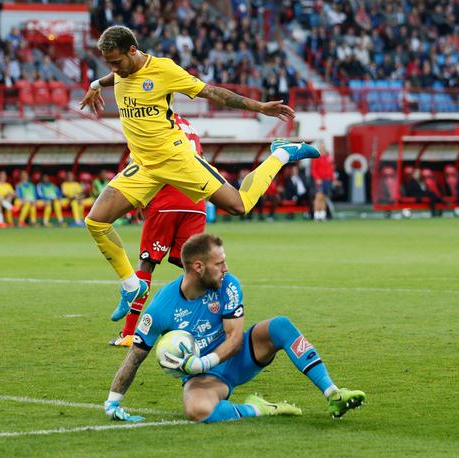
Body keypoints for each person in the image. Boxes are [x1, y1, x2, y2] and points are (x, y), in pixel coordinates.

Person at [79, 26, 318, 320]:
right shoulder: (120, 72)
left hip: (177, 159)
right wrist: (95, 84)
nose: (114, 69)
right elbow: (111, 76)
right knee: (96, 221)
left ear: (133, 51)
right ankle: (132, 287)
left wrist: (259, 107)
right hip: (143, 166)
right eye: (108, 63)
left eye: (116, 62)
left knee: (239, 205)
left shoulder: (163, 70)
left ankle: (281, 153)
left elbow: (212, 92)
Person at [104, 234, 366, 424]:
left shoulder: (228, 284)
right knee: (197, 411)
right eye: (219, 264)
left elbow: (234, 338)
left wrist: (202, 361)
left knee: (281, 326)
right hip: (205, 379)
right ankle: (259, 409)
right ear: (198, 267)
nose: (226, 269)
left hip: (238, 356)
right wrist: (112, 402)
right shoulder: (160, 309)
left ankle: (333, 393)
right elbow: (135, 357)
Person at [110, 114, 207, 346]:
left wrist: (140, 200)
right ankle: (201, 330)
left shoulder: (151, 120)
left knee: (147, 264)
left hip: (166, 200)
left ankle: (129, 333)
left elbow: (142, 163)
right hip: (197, 202)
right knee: (194, 268)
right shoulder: (189, 125)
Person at [311, 143, 334, 221]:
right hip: (320, 180)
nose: (323, 148)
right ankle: (316, 215)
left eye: (323, 146)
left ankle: (323, 215)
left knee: (324, 197)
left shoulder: (328, 157)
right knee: (318, 197)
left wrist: (332, 178)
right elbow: (313, 169)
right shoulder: (316, 157)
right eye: (321, 146)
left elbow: (331, 168)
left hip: (327, 180)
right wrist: (317, 178)